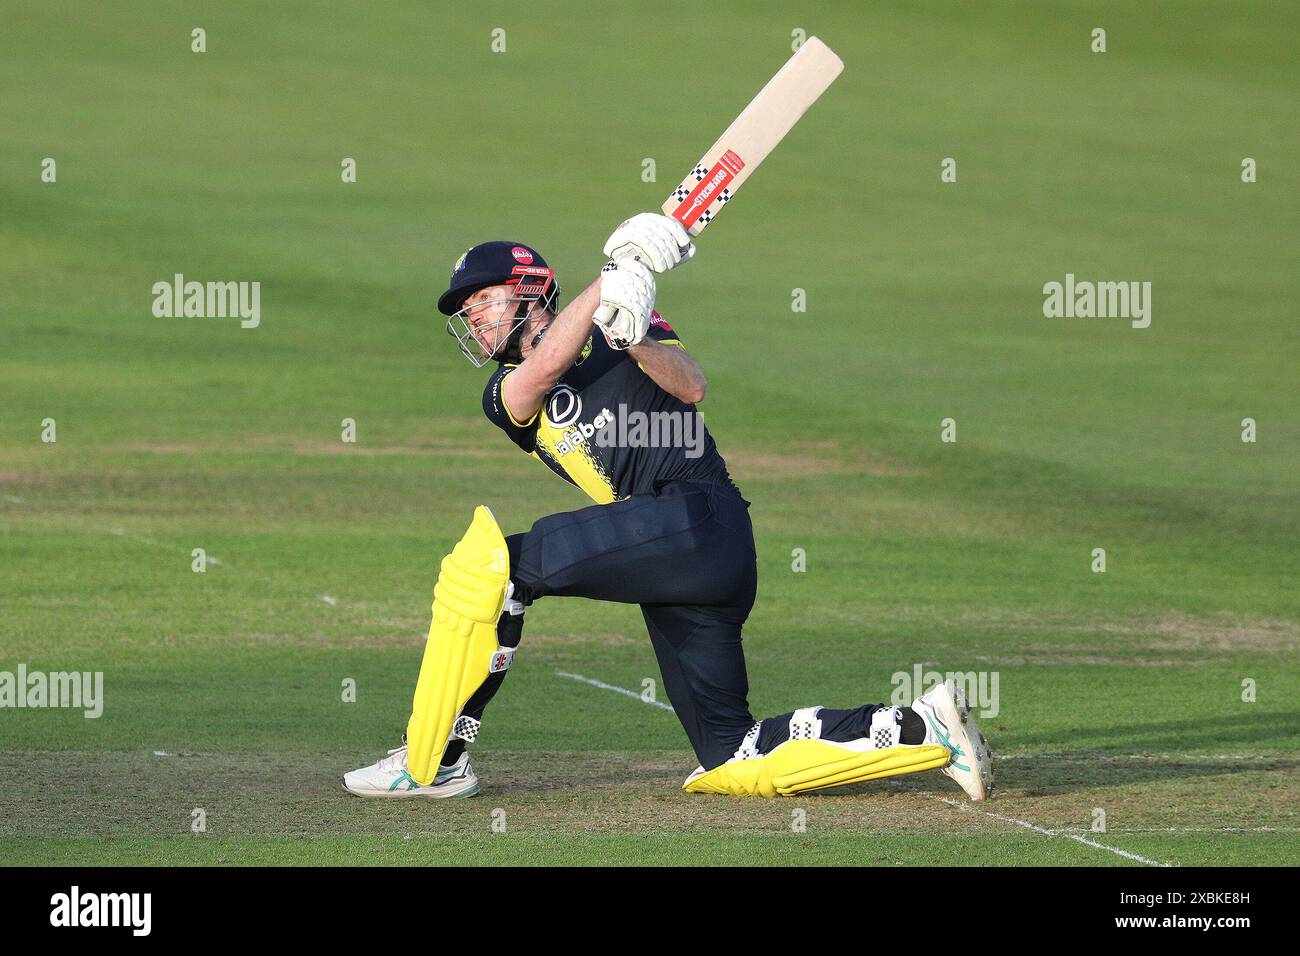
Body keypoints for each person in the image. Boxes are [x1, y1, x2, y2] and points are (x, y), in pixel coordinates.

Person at [344, 215, 992, 800]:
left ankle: (434, 762)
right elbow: (538, 376)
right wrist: (608, 281)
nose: (474, 317)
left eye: (483, 299)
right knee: (730, 757)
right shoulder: (504, 392)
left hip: (699, 517)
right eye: (467, 309)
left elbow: (692, 385)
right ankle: (924, 728)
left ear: (531, 289)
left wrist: (631, 336)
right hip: (672, 558)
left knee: (491, 566)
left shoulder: (623, 321)